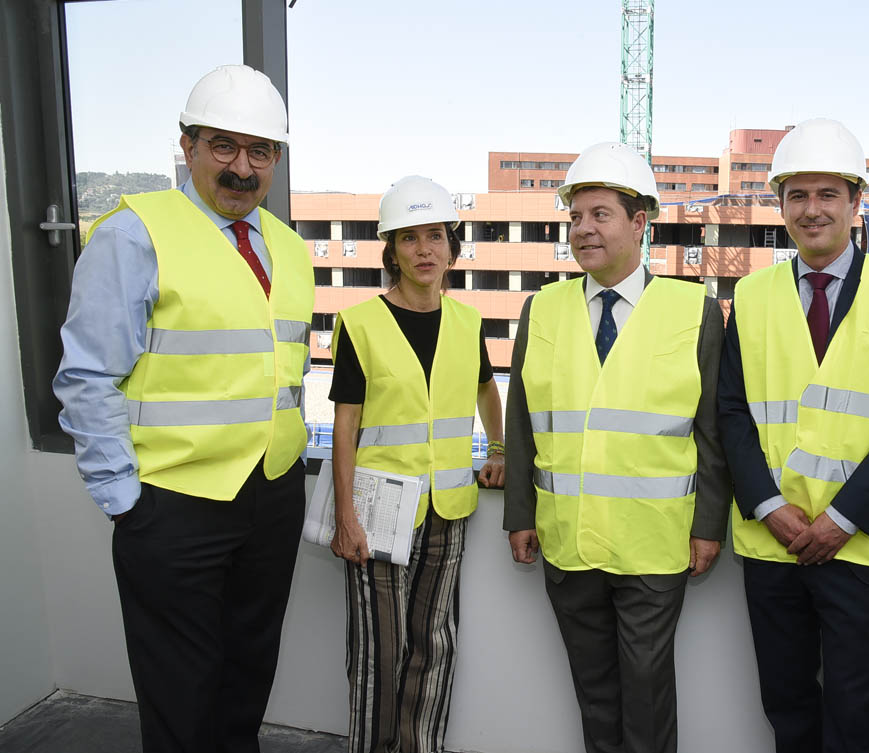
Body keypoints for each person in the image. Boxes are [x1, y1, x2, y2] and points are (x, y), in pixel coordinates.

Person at [54, 64, 314, 752]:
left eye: (259, 150)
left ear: (276, 160)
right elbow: (87, 376)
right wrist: (125, 501)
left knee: (247, 675)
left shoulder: (289, 249)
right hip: (172, 504)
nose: (241, 166)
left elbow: (281, 372)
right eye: (222, 145)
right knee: (180, 690)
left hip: (271, 494)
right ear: (188, 145)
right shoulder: (135, 233)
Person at [717, 118, 869, 753]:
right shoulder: (753, 294)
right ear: (781, 205)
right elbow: (731, 411)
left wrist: (842, 518)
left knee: (855, 712)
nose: (812, 210)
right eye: (797, 196)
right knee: (786, 704)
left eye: (827, 195)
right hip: (773, 542)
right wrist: (769, 507)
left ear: (855, 202)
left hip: (859, 548)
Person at [503, 141, 731, 753]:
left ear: (639, 223)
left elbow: (713, 430)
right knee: (593, 689)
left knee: (647, 689)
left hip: (654, 541)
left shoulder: (695, 310)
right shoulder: (542, 309)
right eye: (575, 217)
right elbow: (522, 421)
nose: (582, 229)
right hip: (566, 536)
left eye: (599, 214)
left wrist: (709, 524)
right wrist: (520, 514)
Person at [328, 175, 504, 753]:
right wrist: (346, 515)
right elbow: (346, 426)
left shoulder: (467, 322)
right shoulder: (360, 324)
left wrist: (499, 449)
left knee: (435, 645)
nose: (425, 250)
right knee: (381, 650)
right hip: (379, 511)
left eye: (436, 236)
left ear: (452, 247)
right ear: (392, 251)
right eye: (409, 238)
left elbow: (486, 391)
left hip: (449, 507)